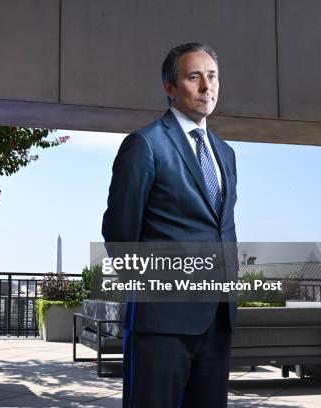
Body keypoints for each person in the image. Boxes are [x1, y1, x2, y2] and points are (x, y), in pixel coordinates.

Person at [102, 42, 238, 407]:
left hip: (217, 319)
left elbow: (223, 229)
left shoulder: (225, 153)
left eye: (212, 76)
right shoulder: (145, 145)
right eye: (194, 77)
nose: (207, 86)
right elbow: (119, 233)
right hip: (161, 322)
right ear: (170, 87)